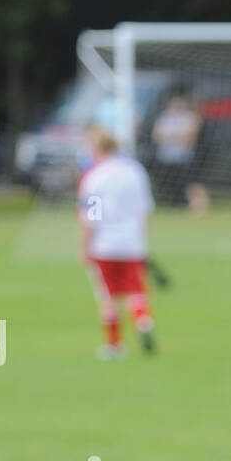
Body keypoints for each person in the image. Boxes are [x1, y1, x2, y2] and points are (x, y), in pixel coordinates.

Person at [78, 127, 157, 359]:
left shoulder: (94, 177)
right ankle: (143, 320)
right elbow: (145, 209)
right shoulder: (135, 171)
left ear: (97, 148)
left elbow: (91, 217)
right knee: (135, 291)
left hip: (104, 244)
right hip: (132, 242)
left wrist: (84, 246)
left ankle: (114, 345)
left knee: (108, 296)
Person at [150, 94, 208, 210]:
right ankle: (177, 204)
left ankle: (199, 206)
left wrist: (169, 137)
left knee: (191, 183)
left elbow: (189, 137)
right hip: (166, 158)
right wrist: (176, 137)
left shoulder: (191, 117)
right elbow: (156, 136)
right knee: (170, 183)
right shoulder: (164, 117)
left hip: (185, 157)